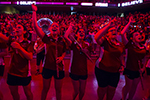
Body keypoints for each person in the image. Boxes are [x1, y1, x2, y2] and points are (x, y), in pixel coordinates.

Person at [32, 4, 66, 100]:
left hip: (59, 68)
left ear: (59, 30)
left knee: (58, 90)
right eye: (53, 26)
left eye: (57, 26)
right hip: (47, 67)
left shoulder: (62, 40)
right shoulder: (46, 39)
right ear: (50, 29)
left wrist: (62, 57)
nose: (54, 27)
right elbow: (35, 26)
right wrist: (34, 12)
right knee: (45, 89)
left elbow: (64, 52)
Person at [94, 18, 125, 100]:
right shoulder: (104, 42)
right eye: (111, 30)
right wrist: (108, 26)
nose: (114, 31)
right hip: (102, 70)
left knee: (112, 89)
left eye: (115, 30)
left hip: (115, 71)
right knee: (102, 89)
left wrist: (122, 64)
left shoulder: (120, 44)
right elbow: (96, 37)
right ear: (107, 34)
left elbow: (121, 55)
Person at [0, 24, 34, 100]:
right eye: (16, 27)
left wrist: (19, 48)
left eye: (19, 27)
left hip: (24, 73)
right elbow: (2, 37)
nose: (16, 29)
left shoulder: (28, 43)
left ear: (24, 31)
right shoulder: (12, 41)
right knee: (14, 93)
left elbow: (30, 57)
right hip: (12, 72)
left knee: (28, 93)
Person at [121, 17, 147, 100]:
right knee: (128, 86)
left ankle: (130, 99)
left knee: (134, 86)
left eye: (139, 34)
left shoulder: (143, 47)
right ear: (132, 38)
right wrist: (129, 23)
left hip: (138, 70)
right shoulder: (129, 45)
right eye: (136, 35)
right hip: (129, 69)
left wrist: (143, 68)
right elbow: (122, 33)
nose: (139, 35)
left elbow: (145, 58)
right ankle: (123, 98)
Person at [64, 23, 92, 100]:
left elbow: (89, 55)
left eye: (83, 32)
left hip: (84, 71)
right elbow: (65, 36)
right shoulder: (73, 43)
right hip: (74, 71)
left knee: (82, 91)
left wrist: (85, 51)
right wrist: (71, 27)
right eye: (80, 31)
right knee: (76, 91)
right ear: (76, 34)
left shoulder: (87, 44)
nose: (82, 32)